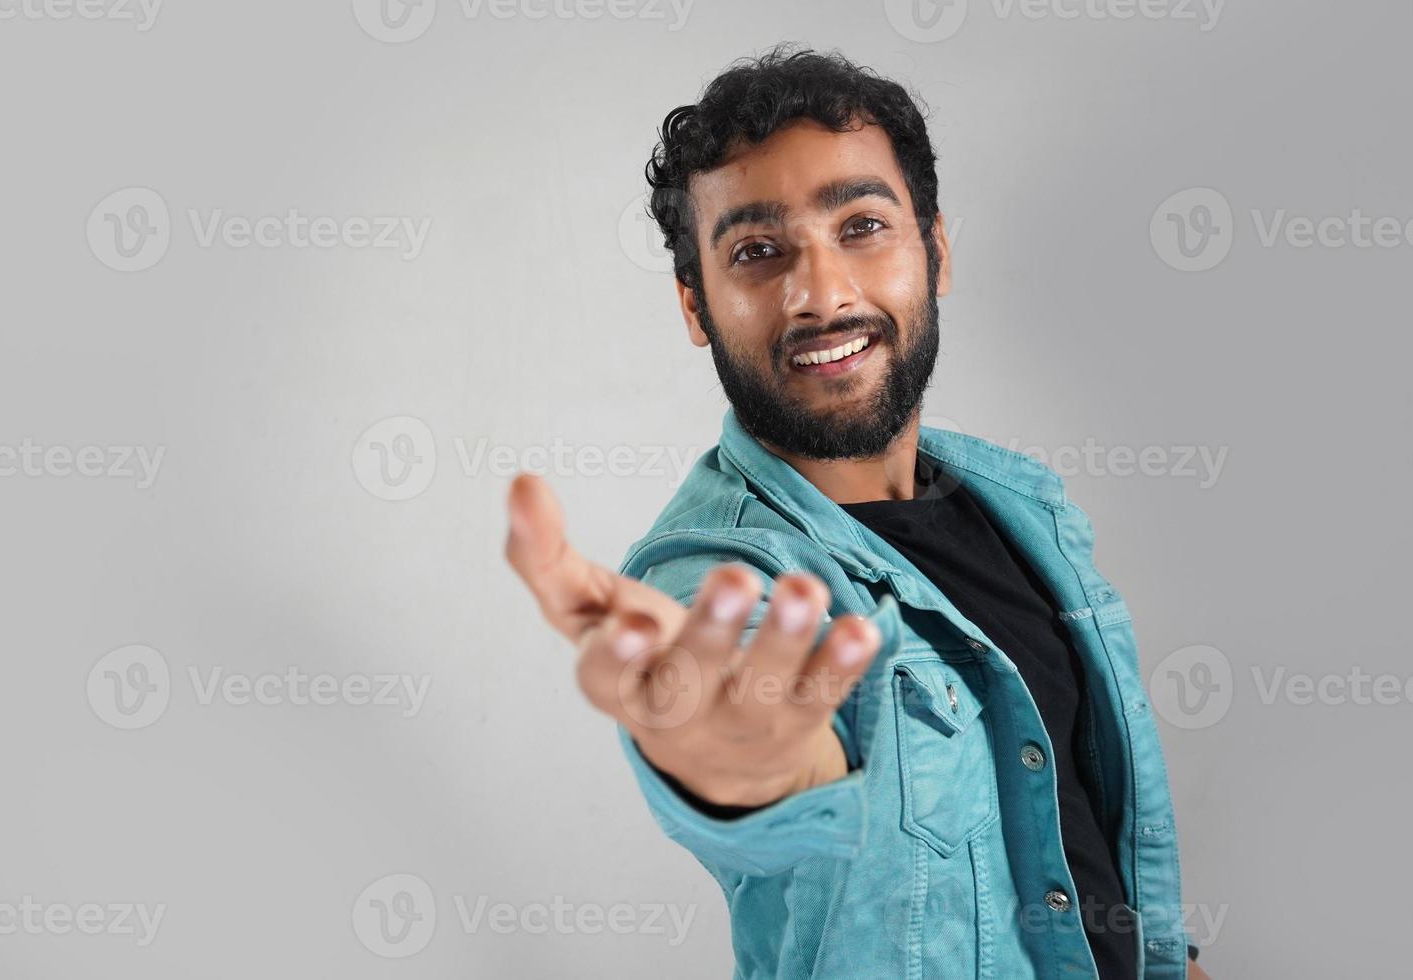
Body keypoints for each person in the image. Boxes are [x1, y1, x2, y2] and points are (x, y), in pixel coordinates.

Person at [506, 44, 1210, 979]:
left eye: (862, 226)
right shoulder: (716, 574)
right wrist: (749, 775)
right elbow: (746, 743)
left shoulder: (1027, 512)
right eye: (757, 253)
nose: (821, 294)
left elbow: (1090, 853)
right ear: (695, 306)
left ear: (936, 250)